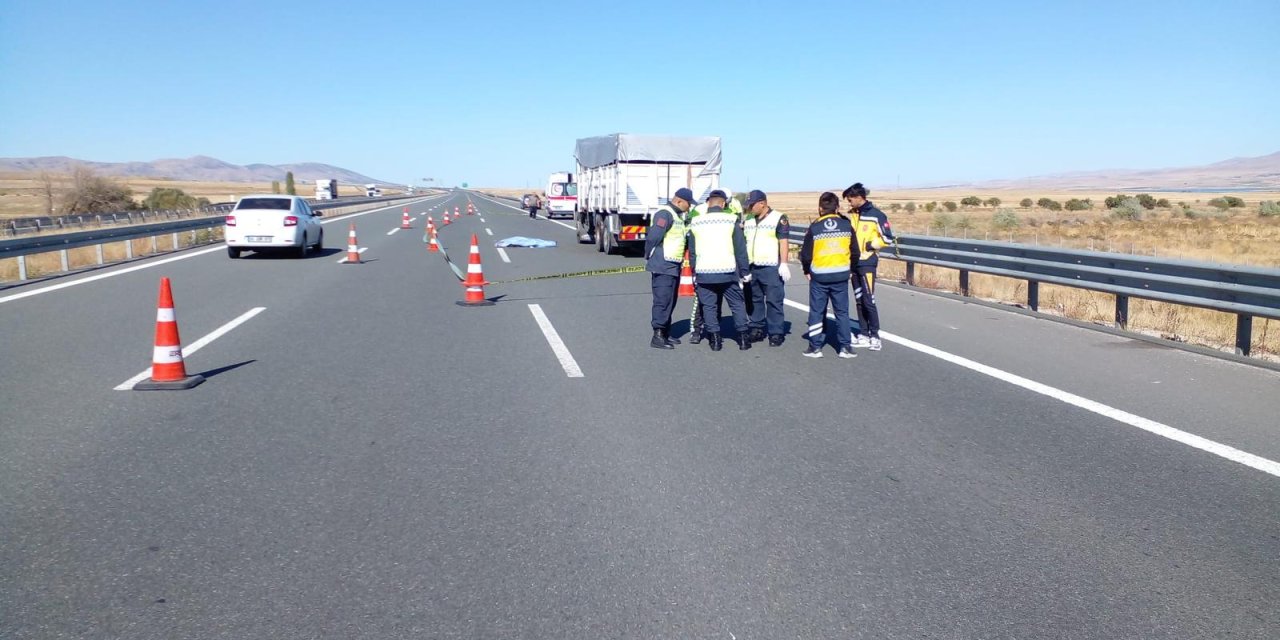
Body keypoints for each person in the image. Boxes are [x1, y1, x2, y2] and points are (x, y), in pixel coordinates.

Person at [687, 191, 751, 351]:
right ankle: (743, 339)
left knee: (709, 306)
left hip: (704, 272)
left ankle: (715, 340)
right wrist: (745, 272)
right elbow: (740, 249)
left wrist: (694, 272)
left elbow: (692, 251)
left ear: (708, 203)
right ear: (723, 204)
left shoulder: (696, 222)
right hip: (728, 271)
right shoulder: (731, 220)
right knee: (736, 303)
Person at [798, 192, 857, 359]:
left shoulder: (815, 227)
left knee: (817, 312)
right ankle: (845, 347)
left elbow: (806, 254)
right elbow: (855, 252)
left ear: (819, 208)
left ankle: (815, 347)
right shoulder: (846, 225)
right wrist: (850, 269)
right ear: (837, 208)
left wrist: (806, 270)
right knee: (842, 312)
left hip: (820, 277)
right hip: (840, 275)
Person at [843, 182, 896, 351]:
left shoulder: (877, 215)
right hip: (854, 263)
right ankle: (863, 334)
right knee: (859, 301)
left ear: (859, 198)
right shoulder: (853, 215)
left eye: (850, 200)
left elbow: (888, 238)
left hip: (868, 263)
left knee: (869, 300)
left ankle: (875, 336)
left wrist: (870, 245)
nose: (849, 203)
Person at [644, 187, 696, 349]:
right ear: (679, 201)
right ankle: (657, 335)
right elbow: (653, 237)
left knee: (671, 300)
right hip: (663, 264)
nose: (690, 207)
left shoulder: (677, 216)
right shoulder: (665, 214)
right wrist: (648, 255)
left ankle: (665, 332)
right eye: (688, 204)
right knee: (663, 300)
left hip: (673, 265)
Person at [742, 190, 791, 346]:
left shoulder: (778, 218)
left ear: (762, 203)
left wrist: (783, 263)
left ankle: (776, 333)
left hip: (770, 267)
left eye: (752, 205)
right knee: (754, 299)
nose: (750, 208)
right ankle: (756, 328)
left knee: (773, 300)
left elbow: (783, 241)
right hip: (752, 266)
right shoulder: (749, 219)